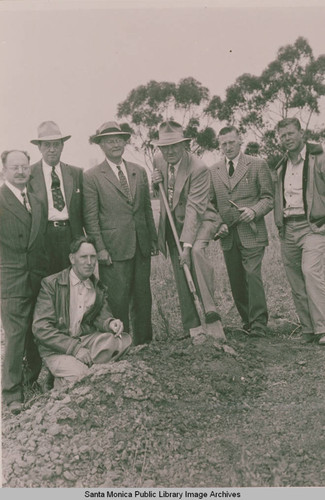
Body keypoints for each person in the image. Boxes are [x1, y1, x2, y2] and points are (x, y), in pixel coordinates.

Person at [83, 121, 158, 345]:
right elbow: (91, 217)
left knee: (143, 298)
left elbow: (145, 208)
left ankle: (145, 344)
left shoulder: (139, 171)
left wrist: (152, 239)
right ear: (101, 145)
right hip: (113, 250)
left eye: (119, 139)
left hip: (141, 246)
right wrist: (100, 248)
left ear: (125, 142)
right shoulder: (92, 176)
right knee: (117, 300)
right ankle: (120, 345)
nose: (115, 144)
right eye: (109, 141)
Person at [32, 236, 132, 389]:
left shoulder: (97, 286)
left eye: (93, 257)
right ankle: (65, 380)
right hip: (57, 348)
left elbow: (100, 316)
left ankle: (75, 372)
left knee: (118, 341)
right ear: (72, 259)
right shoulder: (52, 284)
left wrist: (111, 323)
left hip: (84, 340)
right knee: (84, 378)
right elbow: (40, 328)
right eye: (83, 257)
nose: (89, 262)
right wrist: (74, 348)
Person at [151, 121, 221, 337]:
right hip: (173, 224)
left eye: (174, 146)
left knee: (196, 255)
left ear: (184, 145)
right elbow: (163, 192)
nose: (169, 151)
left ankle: (211, 314)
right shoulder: (158, 159)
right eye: (165, 146)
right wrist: (155, 183)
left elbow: (194, 210)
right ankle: (192, 328)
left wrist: (187, 246)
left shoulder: (198, 168)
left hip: (200, 221)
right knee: (181, 272)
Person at [208, 126, 274, 337]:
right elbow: (210, 204)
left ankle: (258, 325)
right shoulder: (213, 170)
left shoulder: (257, 165)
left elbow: (268, 198)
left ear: (240, 142)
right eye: (223, 144)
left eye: (231, 142)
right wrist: (219, 224)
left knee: (252, 276)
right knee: (236, 280)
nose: (228, 147)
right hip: (228, 236)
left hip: (252, 232)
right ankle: (247, 321)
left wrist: (254, 211)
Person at [0, 150, 48, 414]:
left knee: (36, 333)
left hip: (36, 278)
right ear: (4, 171)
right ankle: (11, 394)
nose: (20, 171)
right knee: (16, 336)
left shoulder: (37, 201)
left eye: (24, 167)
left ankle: (30, 382)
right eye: (14, 167)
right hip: (11, 279)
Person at [274, 117, 325, 345]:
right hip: (288, 228)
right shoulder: (281, 166)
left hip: (312, 226)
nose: (287, 139)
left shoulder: (319, 159)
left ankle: (323, 328)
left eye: (291, 134)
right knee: (295, 281)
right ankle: (308, 330)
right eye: (283, 136)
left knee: (311, 272)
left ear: (301, 133)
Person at [28, 121, 84, 275]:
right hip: (44, 236)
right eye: (46, 145)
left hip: (71, 235)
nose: (52, 149)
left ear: (62, 146)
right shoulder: (29, 175)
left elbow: (85, 211)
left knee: (73, 280)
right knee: (47, 282)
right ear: (39, 147)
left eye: (56, 144)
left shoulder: (76, 173)